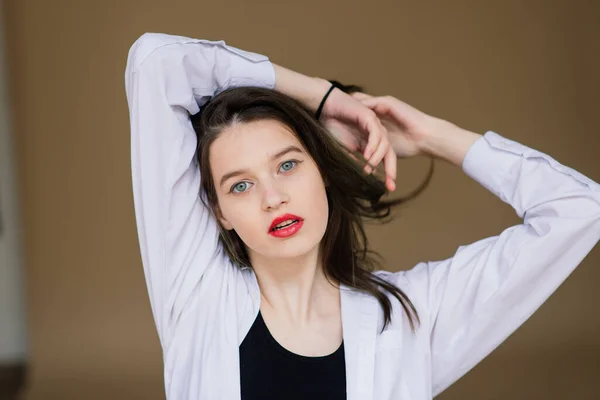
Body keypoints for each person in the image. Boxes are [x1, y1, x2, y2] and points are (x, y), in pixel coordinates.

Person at [124, 32, 600, 400]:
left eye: (288, 165)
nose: (272, 198)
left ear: (324, 174)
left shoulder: (410, 317)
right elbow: (156, 62)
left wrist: (434, 137)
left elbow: (578, 209)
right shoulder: (199, 298)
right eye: (241, 185)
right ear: (220, 213)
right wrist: (323, 97)